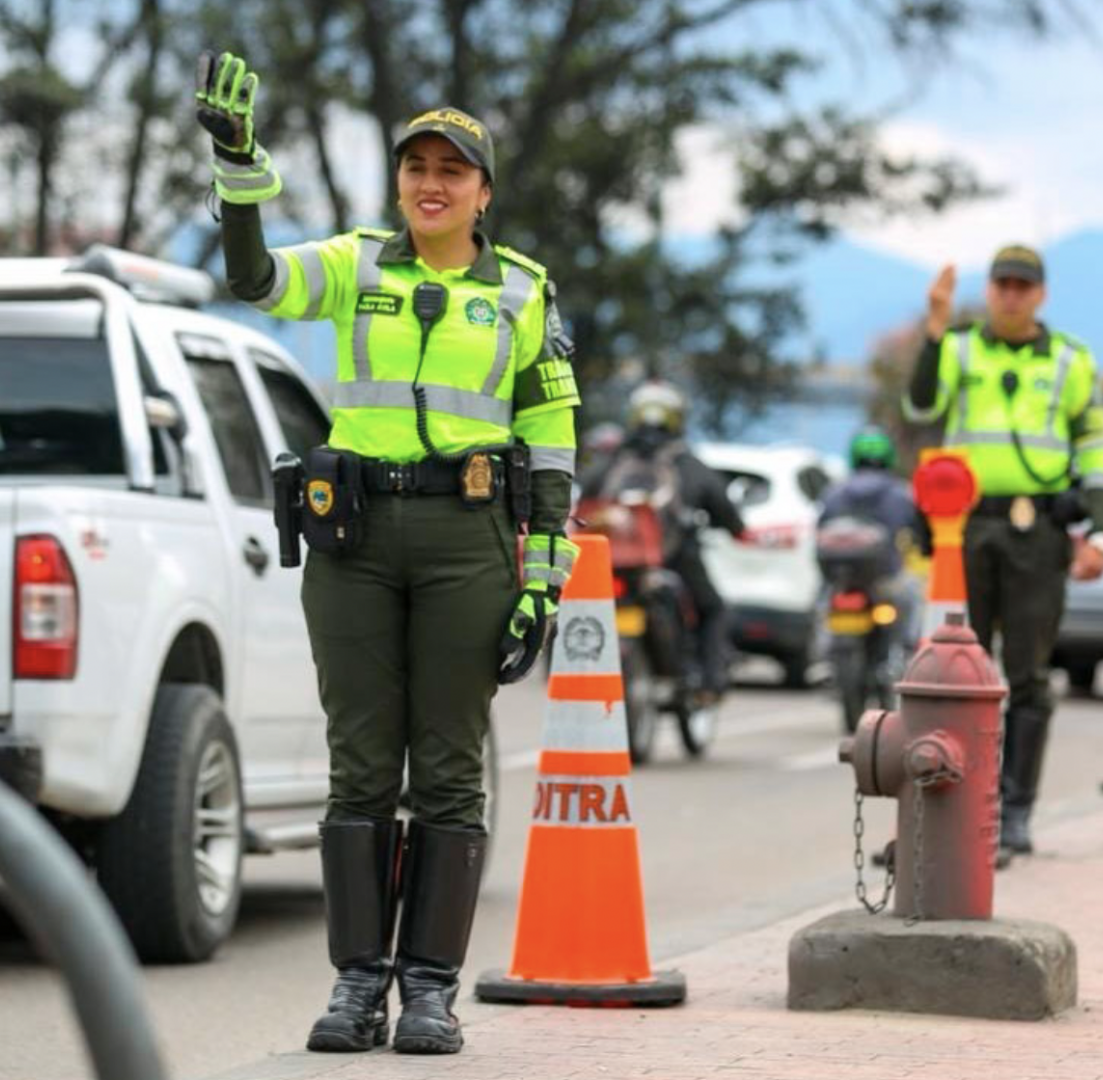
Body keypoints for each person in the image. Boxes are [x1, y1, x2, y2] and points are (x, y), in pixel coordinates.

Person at [196, 55, 581, 1054]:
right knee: (360, 766)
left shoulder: (524, 292)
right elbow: (255, 279)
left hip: (468, 539)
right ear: (399, 182)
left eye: (452, 170)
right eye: (417, 167)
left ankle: (430, 993)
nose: (431, 183)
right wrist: (239, 172)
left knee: (448, 769)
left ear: (483, 192)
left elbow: (551, 442)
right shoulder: (356, 264)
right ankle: (357, 984)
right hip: (355, 540)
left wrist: (543, 578)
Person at [902, 245, 1103, 859]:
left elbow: (1097, 447)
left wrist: (1099, 531)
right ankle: (956, 805)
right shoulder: (960, 347)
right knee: (956, 666)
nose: (1011, 295)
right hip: (965, 528)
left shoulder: (1071, 359)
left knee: (1027, 674)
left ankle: (1014, 811)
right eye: (1002, 285)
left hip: (1037, 532)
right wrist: (934, 329)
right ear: (990, 289)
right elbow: (920, 405)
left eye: (1023, 286)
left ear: (1040, 294)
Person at [581, 381, 746, 703]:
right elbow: (726, 511)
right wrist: (736, 529)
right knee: (713, 610)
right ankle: (709, 685)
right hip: (674, 559)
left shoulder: (613, 460)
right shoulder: (685, 462)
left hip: (613, 561)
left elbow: (582, 501)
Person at [817, 426, 925, 643]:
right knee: (913, 597)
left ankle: (823, 649)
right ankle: (906, 649)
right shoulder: (901, 493)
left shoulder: (833, 492)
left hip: (840, 579)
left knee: (822, 603)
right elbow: (917, 528)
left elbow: (820, 526)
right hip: (885, 578)